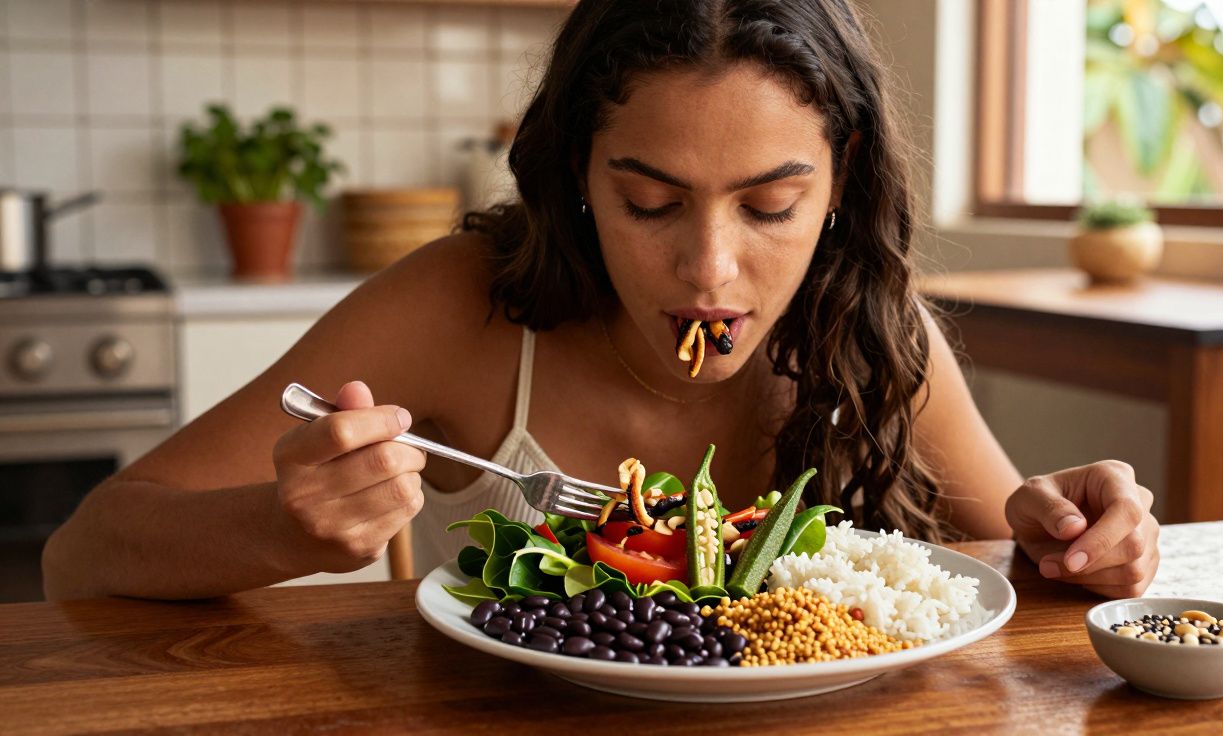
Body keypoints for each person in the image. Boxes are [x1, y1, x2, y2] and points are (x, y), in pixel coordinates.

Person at [42, 0, 1158, 602]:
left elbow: (1014, 554)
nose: (710, 272)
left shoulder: (866, 325)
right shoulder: (461, 303)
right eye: (649, 202)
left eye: (769, 206)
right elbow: (83, 553)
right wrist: (277, 524)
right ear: (578, 174)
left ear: (843, 179)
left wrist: (1069, 532)